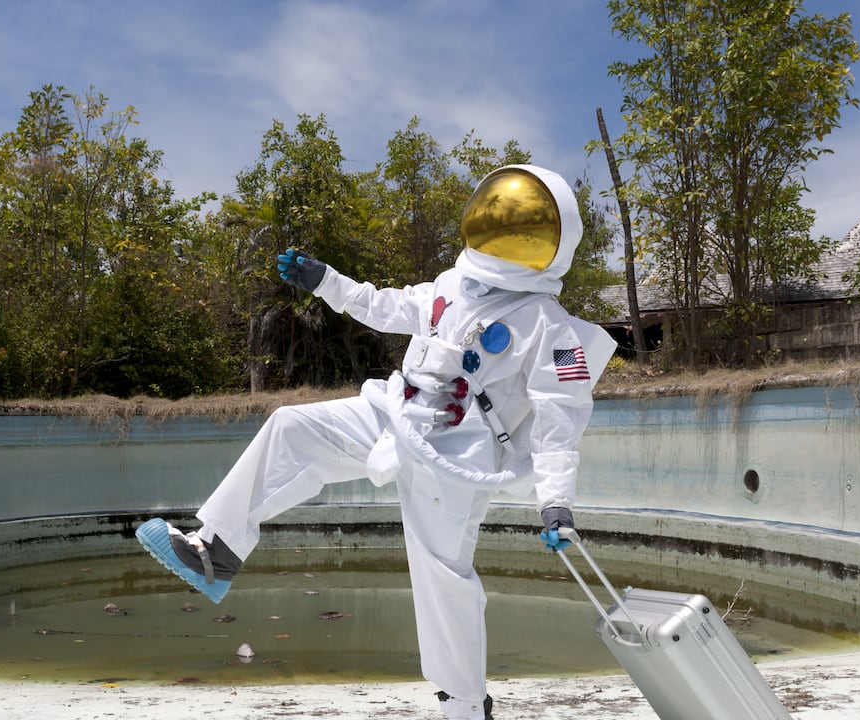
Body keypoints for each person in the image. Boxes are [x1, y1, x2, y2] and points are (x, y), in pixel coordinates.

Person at [135, 164, 616, 720]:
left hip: (458, 456)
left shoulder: (548, 324)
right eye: (502, 220)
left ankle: (464, 706)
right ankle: (215, 551)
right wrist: (325, 281)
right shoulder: (451, 285)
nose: (506, 234)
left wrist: (556, 502)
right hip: (395, 412)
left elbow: (562, 419)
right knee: (294, 427)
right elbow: (384, 305)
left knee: (442, 576)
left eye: (526, 228)